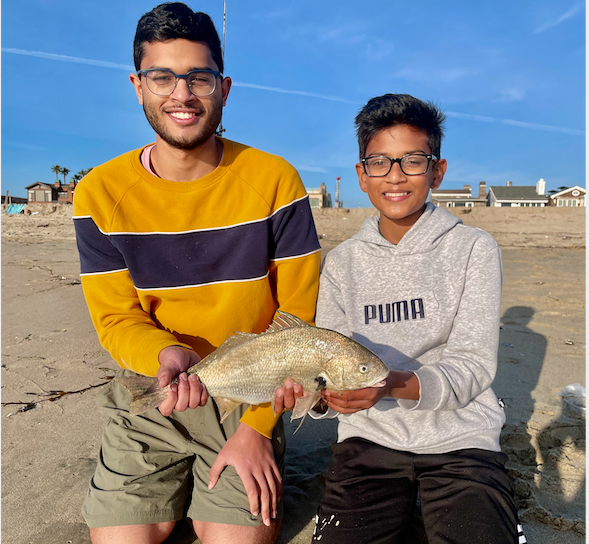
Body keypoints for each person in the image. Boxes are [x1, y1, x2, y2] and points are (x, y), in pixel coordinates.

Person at [72, 3, 321, 543]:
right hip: (156, 388)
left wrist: (257, 429)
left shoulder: (275, 179)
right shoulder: (100, 192)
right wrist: (166, 356)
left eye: (198, 77)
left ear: (223, 88)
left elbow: (297, 318)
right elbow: (117, 318)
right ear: (138, 86)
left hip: (251, 394)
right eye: (162, 77)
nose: (180, 94)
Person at [301, 94, 522, 543]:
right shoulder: (341, 263)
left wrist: (392, 385)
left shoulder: (474, 249)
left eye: (412, 161)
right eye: (380, 162)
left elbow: (473, 364)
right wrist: (322, 400)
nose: (396, 176)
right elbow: (326, 365)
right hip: (368, 439)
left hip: (462, 438)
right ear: (362, 175)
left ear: (437, 171)